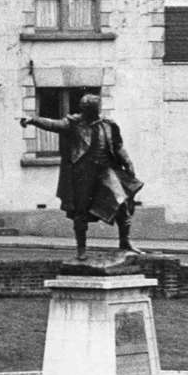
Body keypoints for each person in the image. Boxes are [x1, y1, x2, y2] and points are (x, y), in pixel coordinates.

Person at [19, 94, 145, 261]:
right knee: (81, 210)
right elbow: (52, 124)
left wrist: (128, 162)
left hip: (105, 171)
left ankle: (125, 242)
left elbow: (118, 146)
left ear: (96, 109)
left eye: (90, 109)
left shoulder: (108, 125)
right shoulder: (73, 123)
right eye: (84, 109)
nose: (86, 112)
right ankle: (81, 248)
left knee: (121, 203)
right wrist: (32, 120)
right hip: (83, 174)